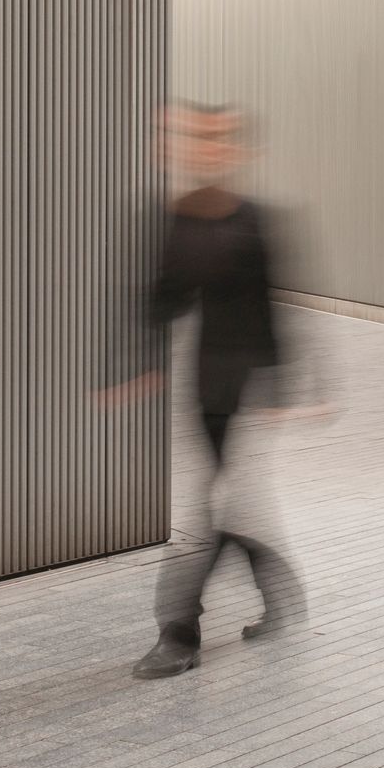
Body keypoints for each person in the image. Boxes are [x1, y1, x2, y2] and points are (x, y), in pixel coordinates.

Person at [122, 103, 309, 681]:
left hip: (247, 377)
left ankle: (178, 630)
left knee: (209, 507)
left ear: (237, 150)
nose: (207, 149)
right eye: (198, 139)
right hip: (205, 379)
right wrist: (136, 363)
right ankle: (279, 589)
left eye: (219, 139)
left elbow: (271, 304)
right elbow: (163, 300)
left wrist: (281, 382)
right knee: (227, 500)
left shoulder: (256, 219)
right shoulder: (175, 219)